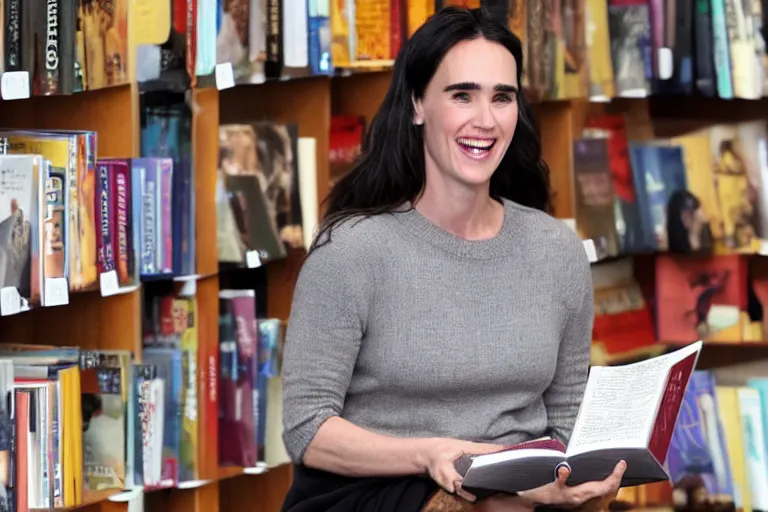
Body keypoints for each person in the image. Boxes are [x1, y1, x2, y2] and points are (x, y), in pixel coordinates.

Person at [280, 7, 625, 512]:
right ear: (418, 103)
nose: (485, 120)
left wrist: (575, 480)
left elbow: (567, 418)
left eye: (502, 98)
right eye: (462, 94)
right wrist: (434, 454)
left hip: (520, 491)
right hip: (385, 491)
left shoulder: (557, 250)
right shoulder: (351, 251)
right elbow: (306, 428)